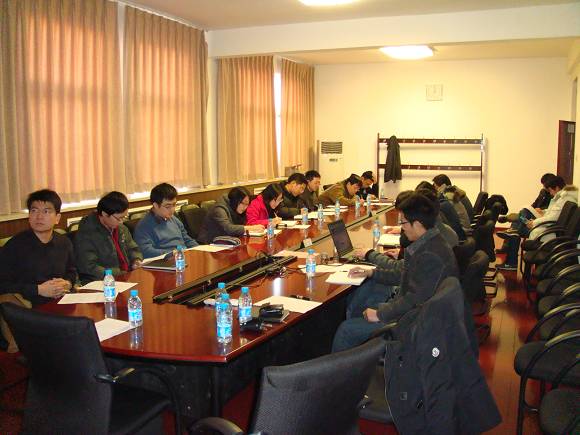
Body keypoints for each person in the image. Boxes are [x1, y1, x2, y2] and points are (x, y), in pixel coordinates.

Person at [332, 191, 458, 352]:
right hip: (411, 311)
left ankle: (346, 365)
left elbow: (414, 301)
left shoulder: (430, 256)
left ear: (417, 224)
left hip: (413, 322)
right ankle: (362, 354)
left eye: (403, 223)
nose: (402, 228)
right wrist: (371, 273)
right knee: (359, 303)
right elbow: (403, 275)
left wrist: (380, 314)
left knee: (345, 330)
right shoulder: (430, 243)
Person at [0, 189, 77, 352]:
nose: (39, 216)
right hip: (28, 307)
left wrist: (67, 283)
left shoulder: (64, 243)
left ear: (57, 218)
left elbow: (71, 271)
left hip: (60, 303)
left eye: (46, 211)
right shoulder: (15, 246)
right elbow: (3, 285)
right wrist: (38, 290)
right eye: (34, 211)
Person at [497, 176, 577, 270]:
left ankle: (511, 260)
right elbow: (553, 213)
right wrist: (542, 212)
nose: (550, 193)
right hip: (547, 227)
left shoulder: (564, 200)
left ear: (556, 188)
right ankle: (513, 233)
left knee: (517, 227)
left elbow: (552, 217)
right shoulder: (563, 198)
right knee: (520, 219)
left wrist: (534, 222)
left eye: (550, 190)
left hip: (548, 232)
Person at [75, 191, 143, 284]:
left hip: (124, 276)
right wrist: (119, 273)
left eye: (124, 217)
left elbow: (132, 248)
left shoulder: (121, 228)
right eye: (118, 218)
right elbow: (89, 267)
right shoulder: (87, 233)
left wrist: (136, 260)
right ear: (104, 214)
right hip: (101, 281)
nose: (121, 222)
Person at [134, 183, 198, 259]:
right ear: (155, 205)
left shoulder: (173, 219)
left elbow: (187, 240)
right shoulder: (143, 225)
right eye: (168, 206)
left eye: (174, 205)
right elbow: (145, 251)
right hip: (164, 261)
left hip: (182, 257)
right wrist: (170, 253)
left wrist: (199, 249)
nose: (172, 209)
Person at [197, 187, 265, 244]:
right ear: (236, 200)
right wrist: (251, 228)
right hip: (208, 244)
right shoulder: (219, 209)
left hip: (226, 241)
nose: (245, 207)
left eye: (247, 204)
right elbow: (228, 228)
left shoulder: (235, 207)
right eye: (243, 203)